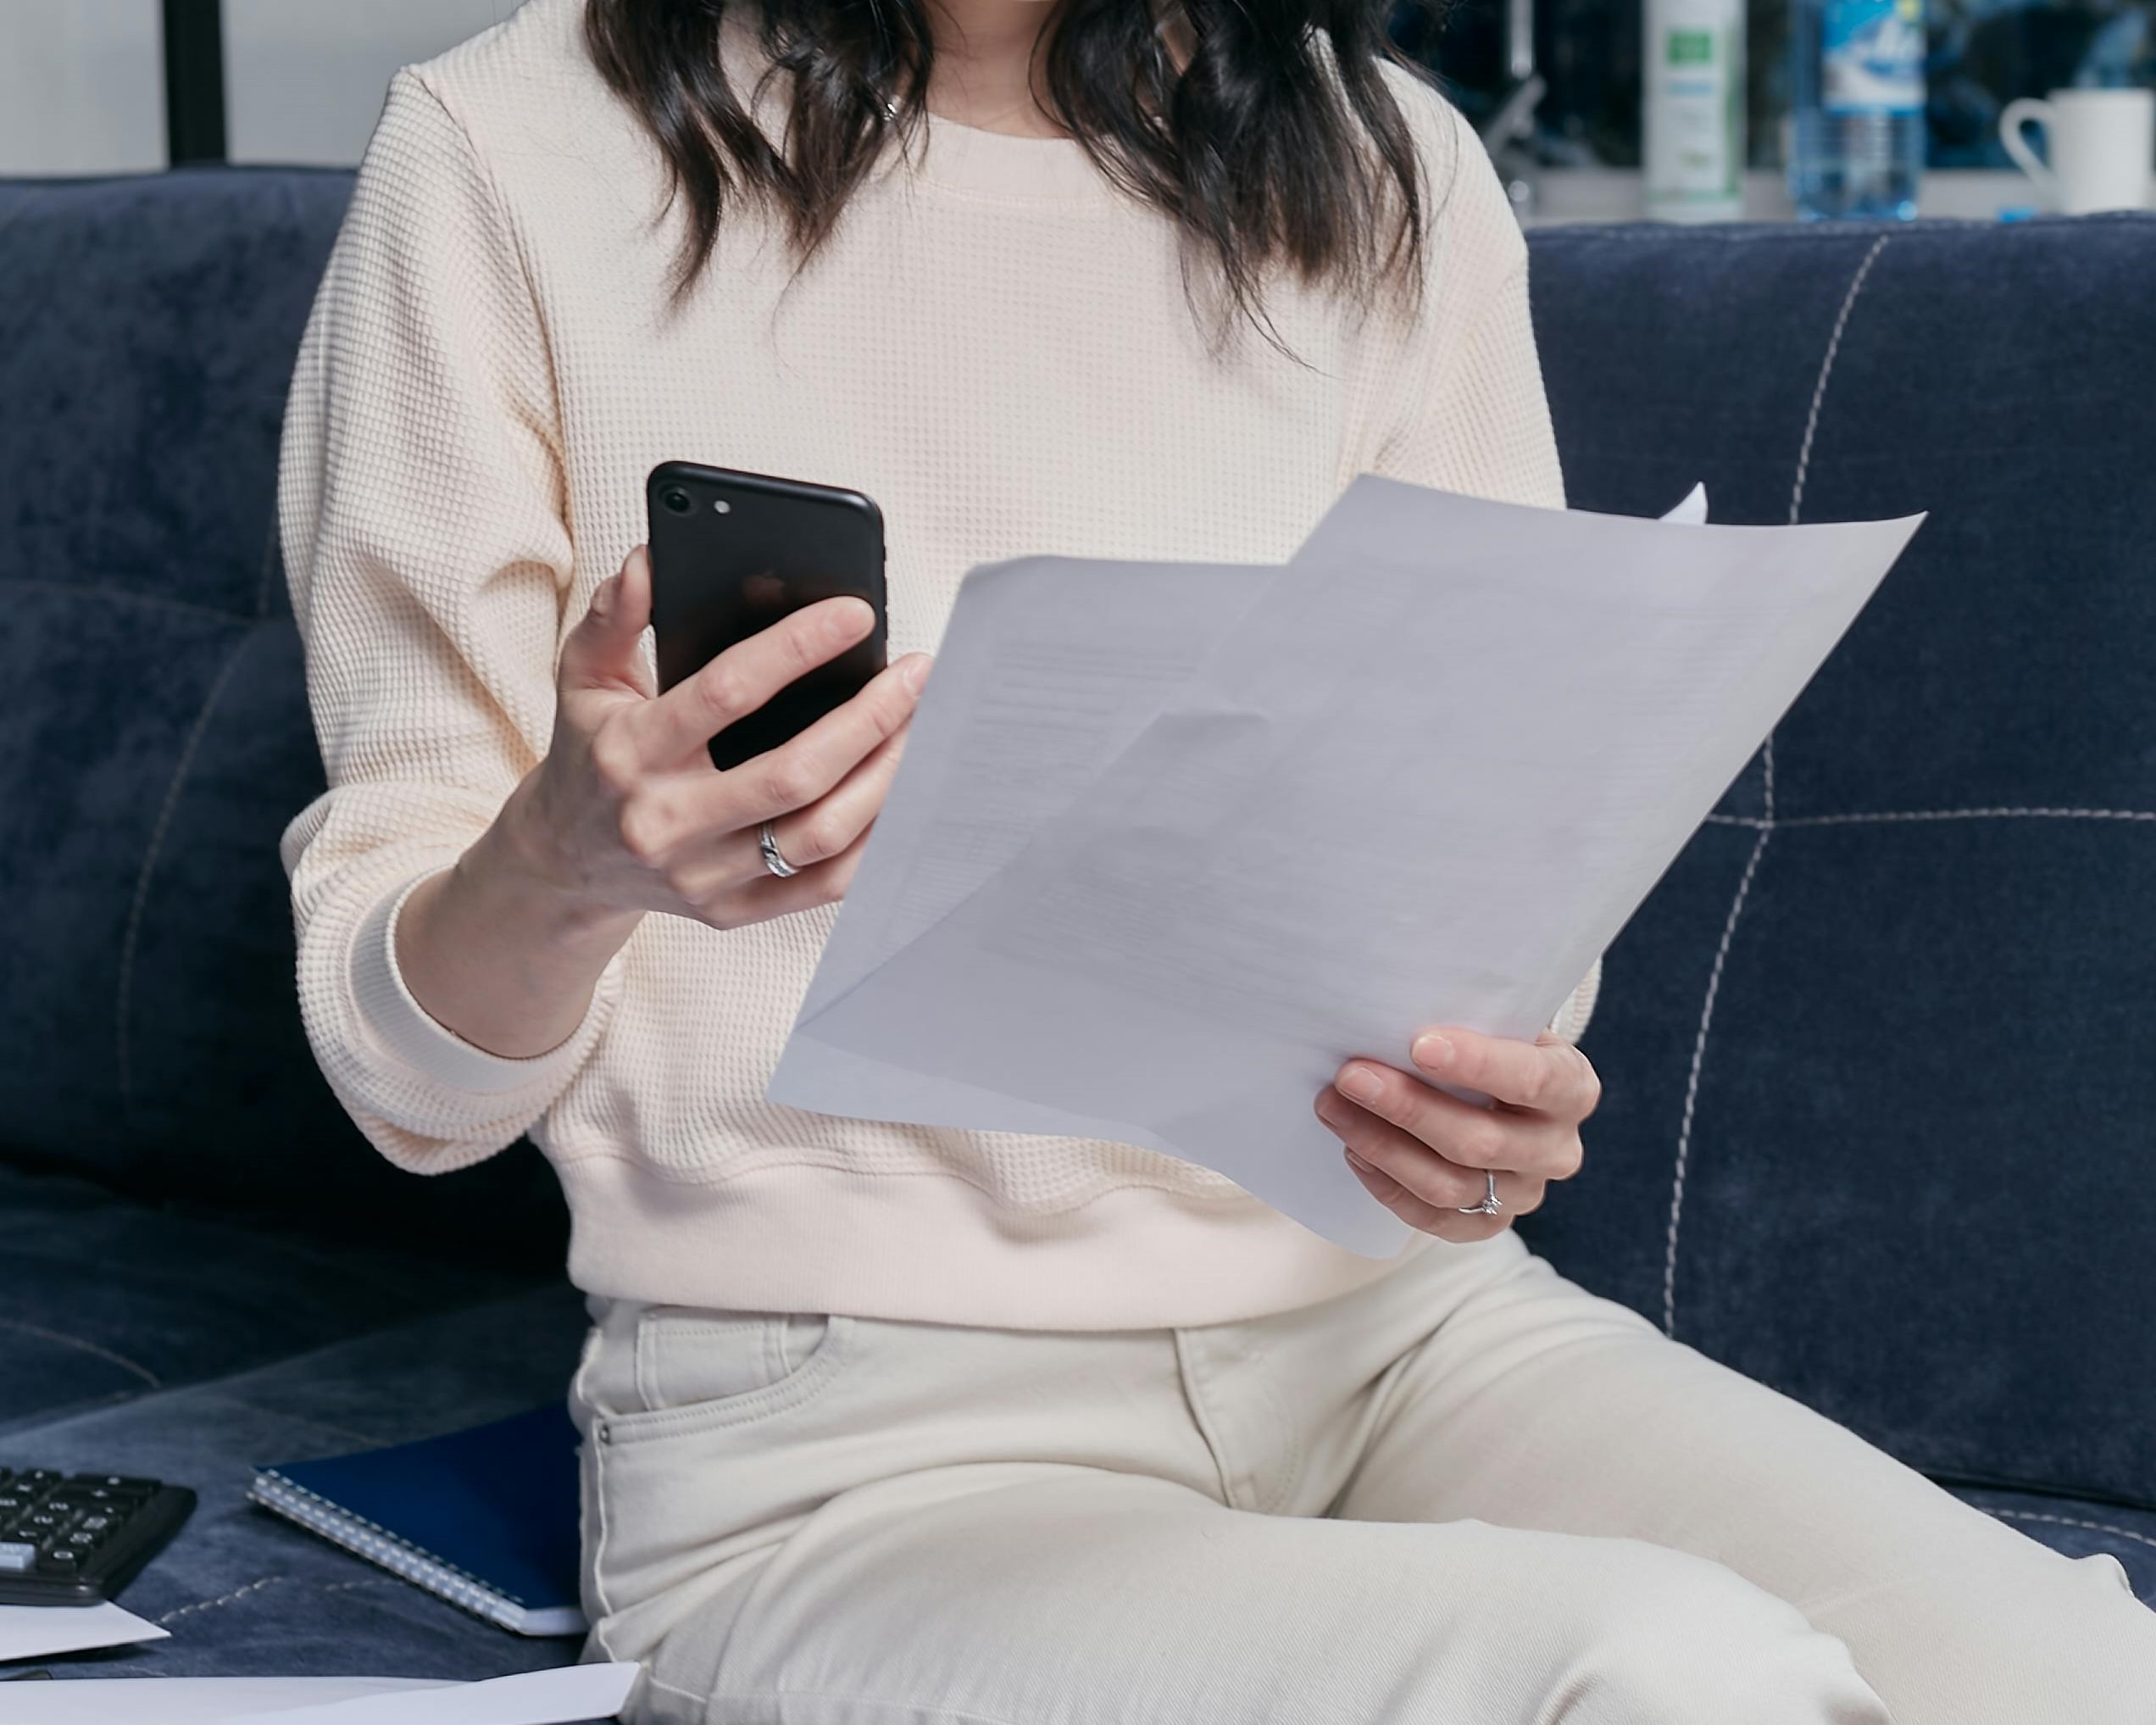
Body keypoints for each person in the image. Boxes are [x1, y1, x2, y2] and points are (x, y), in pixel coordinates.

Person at [275, 0, 2156, 1718]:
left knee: (2079, 1670)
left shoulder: (1382, 156)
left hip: (1402, 1328)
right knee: (1670, 1681)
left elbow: (1499, 837)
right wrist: (567, 863)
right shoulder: (506, 150)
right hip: (848, 1446)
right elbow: (405, 1080)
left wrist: (1482, 1107)